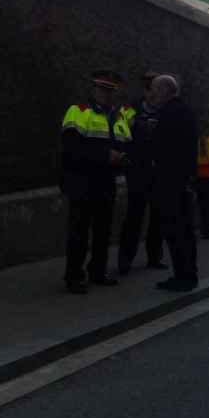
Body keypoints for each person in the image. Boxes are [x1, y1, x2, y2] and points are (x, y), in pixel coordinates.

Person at [60, 70, 132, 294]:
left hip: (106, 181)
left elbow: (125, 145)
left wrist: (123, 158)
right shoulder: (78, 111)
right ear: (93, 90)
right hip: (83, 181)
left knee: (103, 231)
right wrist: (104, 156)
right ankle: (73, 277)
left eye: (110, 91)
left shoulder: (118, 117)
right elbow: (71, 149)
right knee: (79, 232)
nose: (106, 95)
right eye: (102, 90)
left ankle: (98, 272)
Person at [150, 75, 199, 292]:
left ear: (165, 91)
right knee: (186, 232)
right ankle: (190, 274)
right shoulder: (186, 111)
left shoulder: (169, 114)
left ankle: (182, 277)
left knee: (175, 231)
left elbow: (162, 148)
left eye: (155, 90)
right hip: (183, 180)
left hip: (170, 181)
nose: (152, 95)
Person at [117, 71, 167, 274]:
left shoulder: (165, 111)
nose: (153, 94)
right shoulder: (130, 110)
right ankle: (125, 260)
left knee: (157, 217)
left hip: (159, 171)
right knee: (134, 216)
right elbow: (121, 136)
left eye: (156, 90)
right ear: (145, 90)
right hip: (138, 170)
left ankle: (154, 257)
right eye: (150, 89)